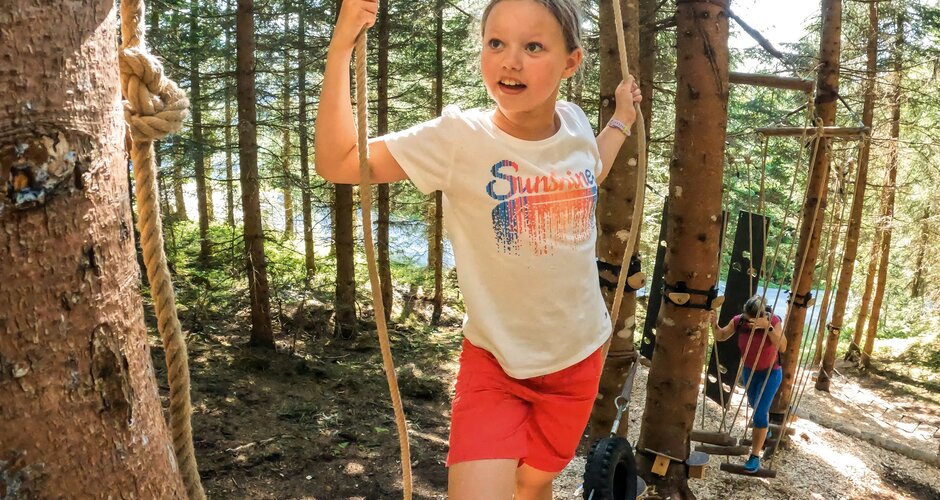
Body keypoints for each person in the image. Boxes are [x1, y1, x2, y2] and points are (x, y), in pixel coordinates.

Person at [315, 0, 642, 497]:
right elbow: (340, 161)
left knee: (531, 487)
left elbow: (589, 171)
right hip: (496, 364)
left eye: (533, 46)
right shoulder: (457, 139)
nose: (510, 60)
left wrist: (620, 120)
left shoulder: (575, 122)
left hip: (578, 358)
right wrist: (341, 46)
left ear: (570, 62)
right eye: (496, 43)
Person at [710, 294, 787, 474]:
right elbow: (720, 336)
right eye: (748, 318)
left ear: (763, 314)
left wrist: (767, 328)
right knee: (755, 406)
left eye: (754, 319)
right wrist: (713, 324)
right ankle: (764, 429)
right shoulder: (739, 321)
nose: (750, 322)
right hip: (749, 372)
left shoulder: (773, 321)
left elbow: (782, 347)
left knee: (759, 414)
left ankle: (754, 456)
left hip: (771, 373)